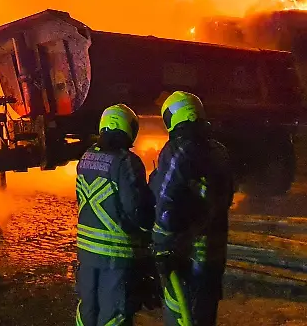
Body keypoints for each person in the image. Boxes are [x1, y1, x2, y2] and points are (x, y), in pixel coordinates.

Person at [149, 91, 233, 326]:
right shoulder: (219, 150)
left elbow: (166, 199)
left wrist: (163, 245)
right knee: (204, 316)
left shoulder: (179, 150)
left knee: (182, 316)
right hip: (214, 255)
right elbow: (225, 198)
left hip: (185, 255)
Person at [75, 103, 155, 326]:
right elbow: (136, 209)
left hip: (87, 254)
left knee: (87, 310)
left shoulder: (86, 157)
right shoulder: (126, 162)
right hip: (116, 256)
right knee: (114, 315)